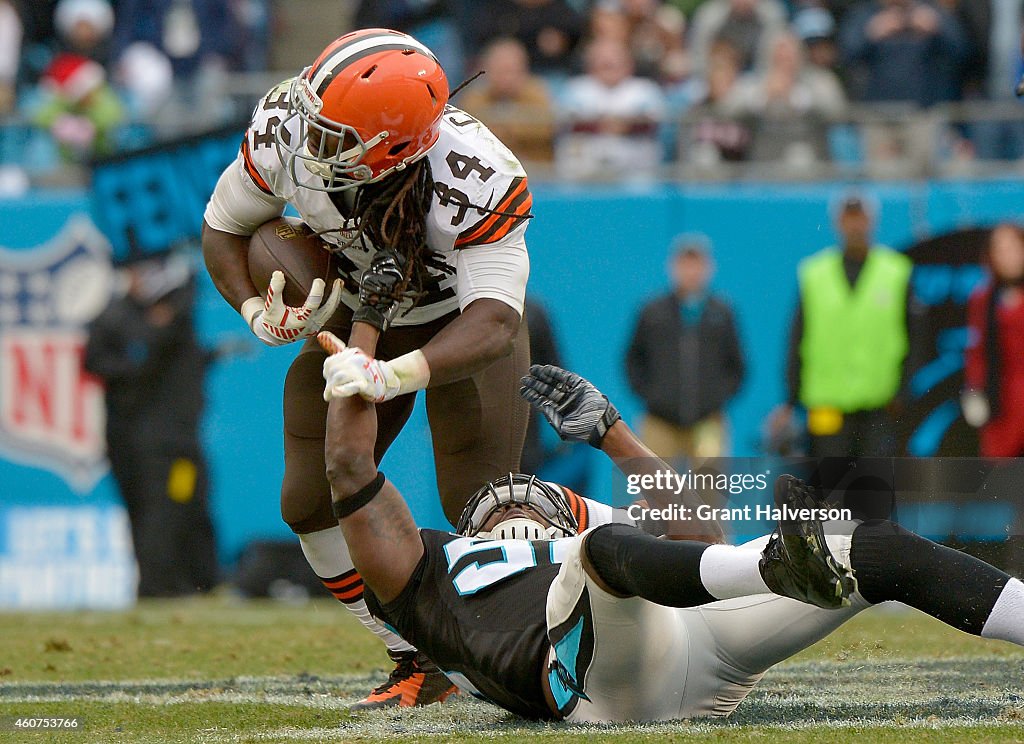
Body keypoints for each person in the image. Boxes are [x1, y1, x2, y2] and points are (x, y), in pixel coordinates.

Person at [318, 345, 1024, 722]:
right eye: (499, 510)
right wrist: (367, 344)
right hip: (591, 682)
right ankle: (784, 567)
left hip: (689, 643)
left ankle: (795, 565)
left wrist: (614, 436)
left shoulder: (591, 534)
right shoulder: (428, 571)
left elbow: (705, 544)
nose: (514, 510)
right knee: (599, 556)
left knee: (873, 547)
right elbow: (349, 467)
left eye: (527, 504)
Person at [201, 28, 533, 708]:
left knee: (483, 507)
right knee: (307, 499)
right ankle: (415, 654)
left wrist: (394, 374)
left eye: (332, 137)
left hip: (454, 325)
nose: (307, 140)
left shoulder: (474, 174)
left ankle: (534, 643)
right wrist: (251, 310)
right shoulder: (286, 131)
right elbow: (223, 226)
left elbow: (495, 322)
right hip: (357, 308)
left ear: (394, 150)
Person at [83, 254, 219, 598]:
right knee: (153, 511)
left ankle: (188, 582)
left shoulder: (176, 311)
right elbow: (104, 359)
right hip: (146, 443)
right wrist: (136, 357)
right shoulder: (120, 316)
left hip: (177, 444)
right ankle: (158, 587)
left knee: (182, 502)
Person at [770, 194, 921, 458]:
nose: (855, 225)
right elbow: (797, 338)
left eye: (860, 218)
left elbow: (916, 336)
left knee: (873, 491)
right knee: (831, 489)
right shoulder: (814, 273)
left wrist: (903, 392)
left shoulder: (896, 272)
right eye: (848, 218)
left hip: (879, 404)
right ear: (837, 222)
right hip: (827, 403)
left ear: (872, 221)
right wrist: (791, 398)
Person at [625, 236, 745, 461]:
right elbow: (633, 359)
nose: (691, 271)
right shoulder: (652, 311)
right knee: (655, 488)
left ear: (709, 268)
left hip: (708, 421)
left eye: (697, 264)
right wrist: (652, 396)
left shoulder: (722, 313)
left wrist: (716, 399)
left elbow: (737, 365)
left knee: (709, 489)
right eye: (685, 264)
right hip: (660, 421)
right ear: (672, 267)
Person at [962, 223, 1024, 457]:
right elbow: (977, 351)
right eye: (1001, 249)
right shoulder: (984, 298)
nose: (1008, 256)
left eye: (1013, 248)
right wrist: (975, 390)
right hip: (1002, 408)